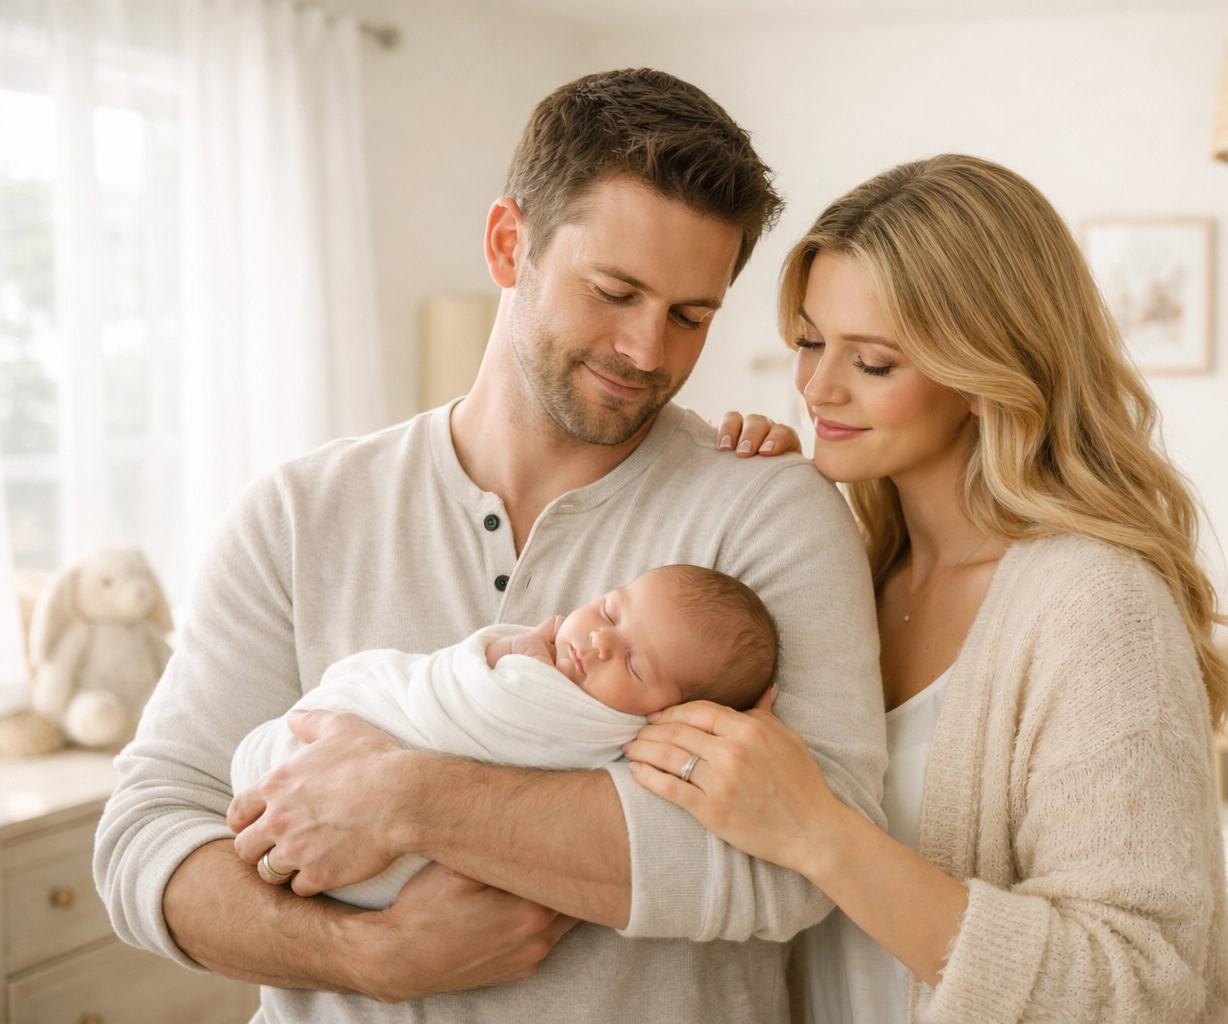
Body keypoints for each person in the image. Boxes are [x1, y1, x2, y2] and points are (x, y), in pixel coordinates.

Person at [93, 69, 886, 1024]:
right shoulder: (300, 513)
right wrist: (374, 954)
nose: (647, 351)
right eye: (614, 291)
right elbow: (144, 839)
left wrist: (404, 798)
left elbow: (812, 862)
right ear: (510, 244)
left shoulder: (768, 512)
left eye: (690, 316)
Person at [626, 154, 1228, 1023]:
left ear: (987, 374)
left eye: (872, 363)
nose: (816, 388)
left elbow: (1140, 983)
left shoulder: (1097, 606)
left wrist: (820, 835)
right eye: (809, 341)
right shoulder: (848, 574)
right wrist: (747, 502)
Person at [229, 564, 780, 911]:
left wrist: (501, 663)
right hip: (322, 784)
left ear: (675, 715)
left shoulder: (603, 725)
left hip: (388, 873)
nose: (599, 640)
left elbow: (475, 699)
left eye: (636, 665)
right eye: (611, 609)